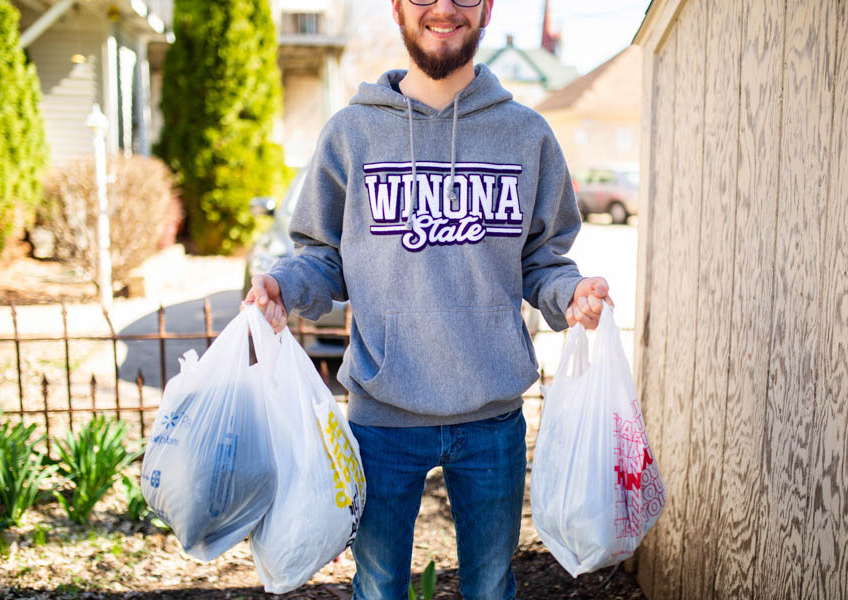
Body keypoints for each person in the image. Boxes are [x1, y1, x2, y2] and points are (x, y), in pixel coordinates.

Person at [244, 0, 612, 597]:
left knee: (491, 587)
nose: (443, 9)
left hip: (491, 417)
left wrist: (572, 294)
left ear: (488, 7)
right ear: (397, 8)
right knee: (380, 586)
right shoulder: (353, 133)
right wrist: (285, 285)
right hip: (382, 418)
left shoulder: (525, 135)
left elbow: (542, 262)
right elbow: (323, 255)